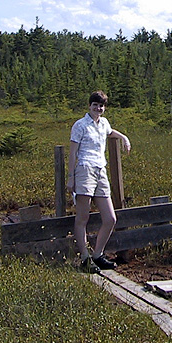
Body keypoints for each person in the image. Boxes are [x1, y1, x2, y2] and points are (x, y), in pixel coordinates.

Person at [67, 90, 131, 274]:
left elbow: (110, 132)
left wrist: (124, 138)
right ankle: (85, 258)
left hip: (100, 171)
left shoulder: (103, 123)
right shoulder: (80, 125)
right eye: (95, 105)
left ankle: (98, 255)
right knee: (83, 217)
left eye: (101, 105)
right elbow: (72, 153)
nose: (98, 108)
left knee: (110, 218)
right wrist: (71, 177)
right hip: (84, 170)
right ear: (89, 106)